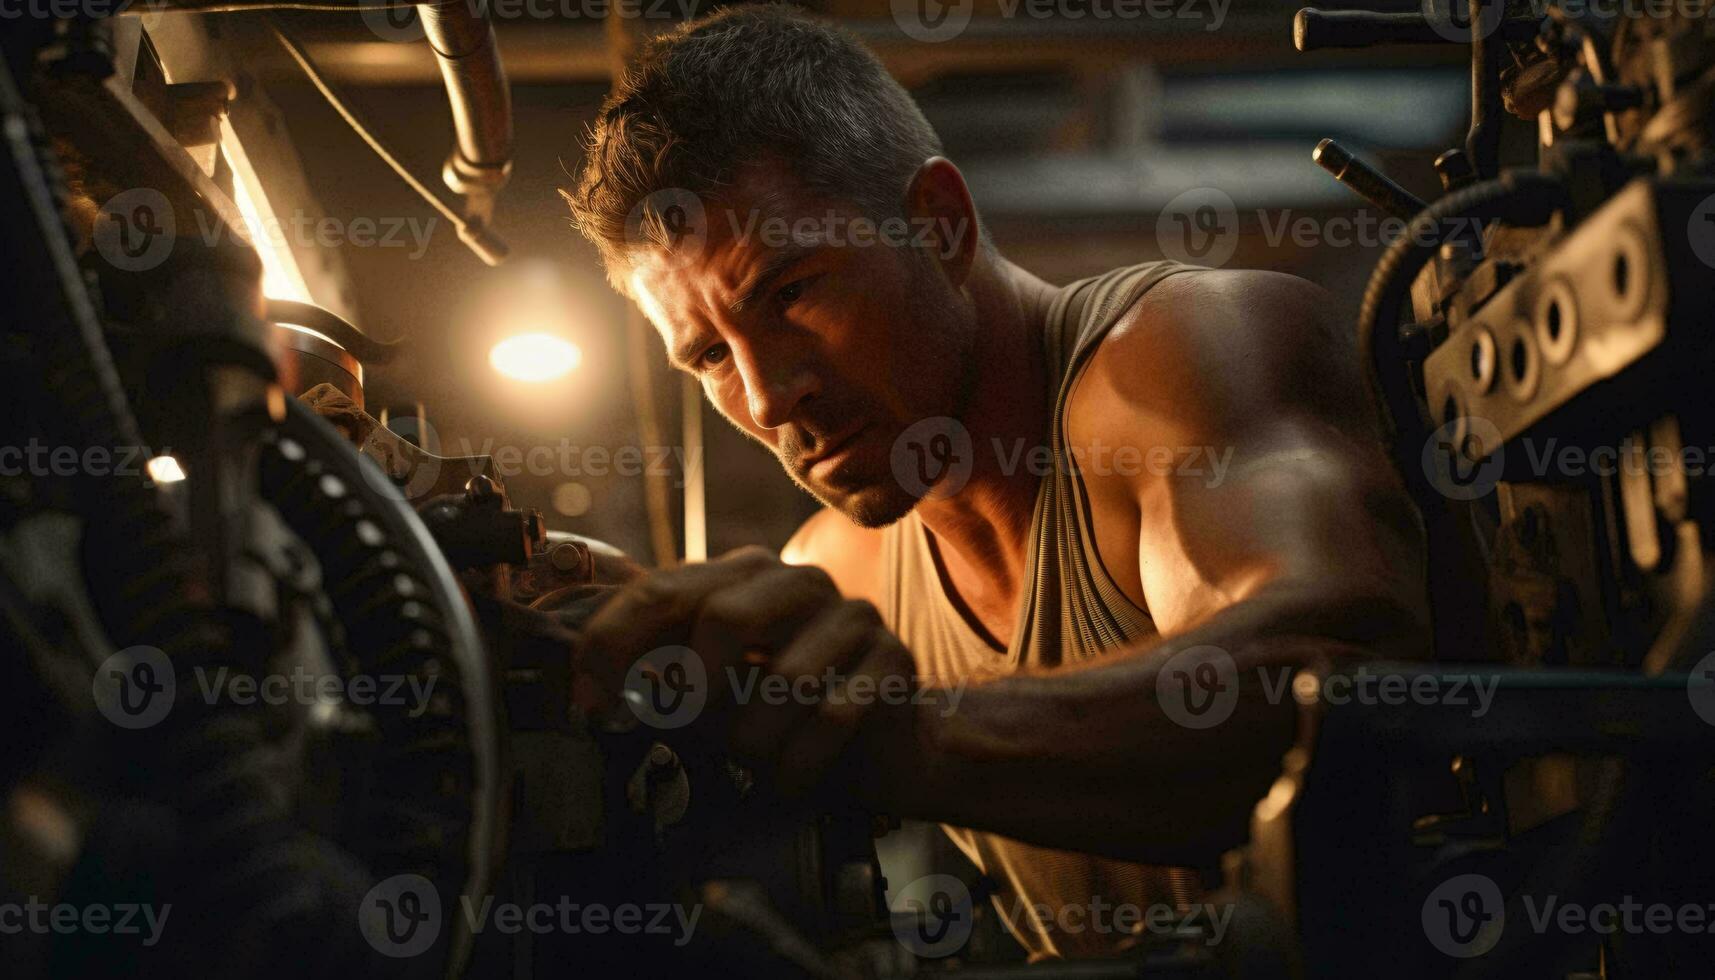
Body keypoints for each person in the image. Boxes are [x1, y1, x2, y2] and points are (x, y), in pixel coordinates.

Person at [562, 4, 1428, 959]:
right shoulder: (838, 574)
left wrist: (918, 738)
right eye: (710, 357)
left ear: (939, 222)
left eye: (790, 292)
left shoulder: (1172, 357)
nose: (768, 398)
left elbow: (1338, 667)